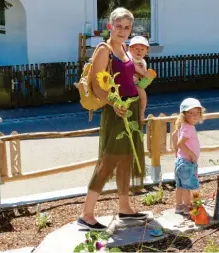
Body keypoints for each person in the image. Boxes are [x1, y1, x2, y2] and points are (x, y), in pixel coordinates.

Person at [77, 7, 147, 231]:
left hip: (130, 109)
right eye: (119, 26)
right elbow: (98, 87)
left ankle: (125, 207)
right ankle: (87, 214)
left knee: (126, 159)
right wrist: (114, 103)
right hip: (116, 111)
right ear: (110, 26)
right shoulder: (104, 49)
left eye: (127, 27)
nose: (123, 31)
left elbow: (128, 77)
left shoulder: (125, 49)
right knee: (108, 161)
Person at [171, 98, 205, 215]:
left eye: (197, 113)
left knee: (180, 185)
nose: (195, 116)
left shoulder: (183, 125)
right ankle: (187, 207)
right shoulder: (188, 128)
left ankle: (178, 206)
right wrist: (192, 155)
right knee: (188, 186)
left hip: (181, 161)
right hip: (187, 162)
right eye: (191, 113)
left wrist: (176, 152)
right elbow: (180, 143)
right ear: (184, 115)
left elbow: (174, 136)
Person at [127, 36, 152, 122]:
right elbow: (130, 66)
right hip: (126, 82)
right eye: (136, 48)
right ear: (130, 49)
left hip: (136, 84)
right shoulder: (128, 57)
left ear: (146, 51)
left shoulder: (143, 61)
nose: (139, 51)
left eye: (142, 49)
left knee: (143, 96)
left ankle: (141, 112)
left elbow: (143, 75)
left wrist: (147, 77)